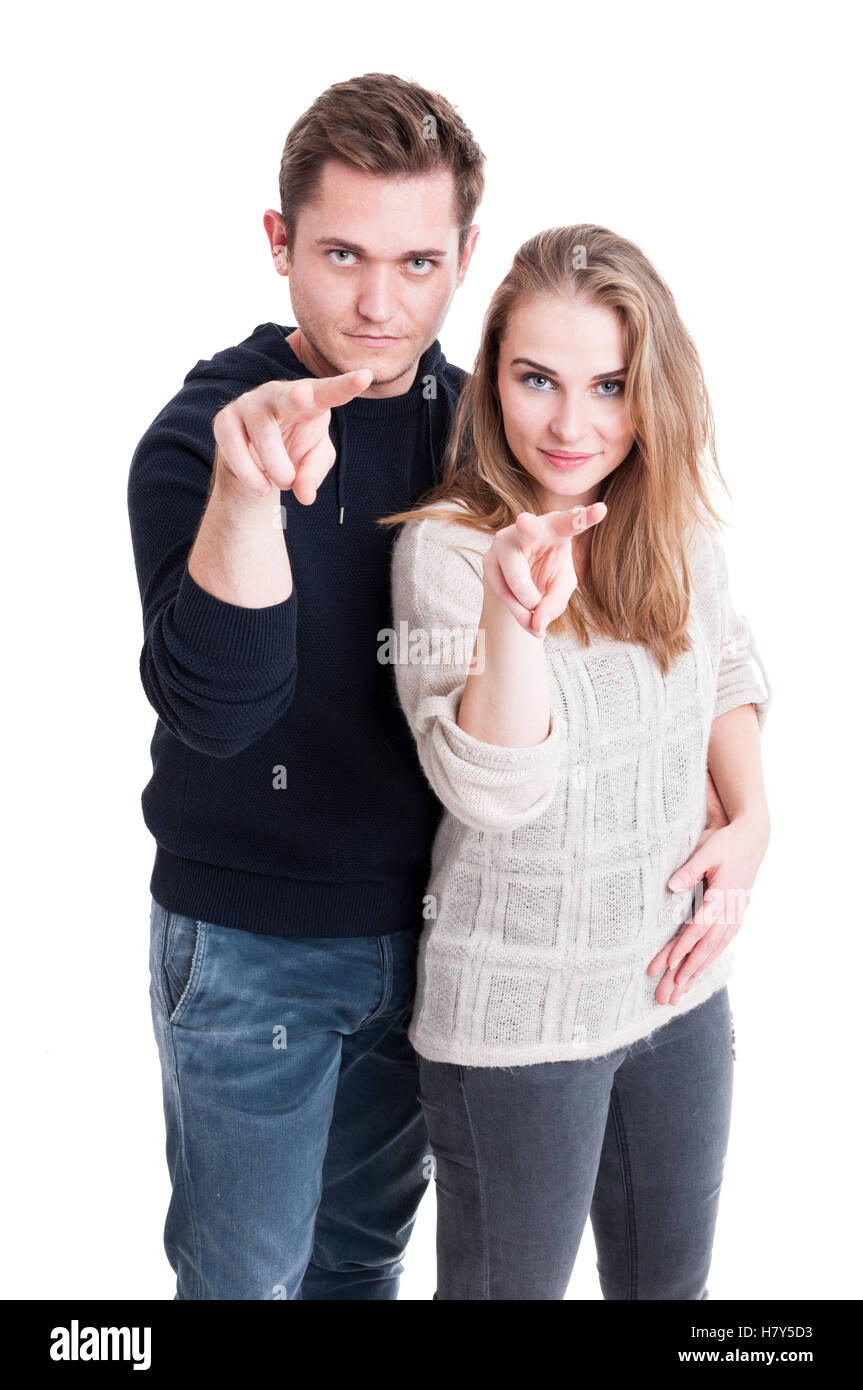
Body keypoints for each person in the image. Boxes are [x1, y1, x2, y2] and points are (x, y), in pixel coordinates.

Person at [126, 73, 485, 1300]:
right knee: (245, 1283)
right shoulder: (204, 435)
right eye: (342, 255)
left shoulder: (486, 431)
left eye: (417, 262)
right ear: (279, 243)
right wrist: (248, 498)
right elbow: (219, 709)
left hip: (437, 935)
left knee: (359, 1265)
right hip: (251, 948)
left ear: (464, 256)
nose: (381, 304)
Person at [381, 223, 773, 1300]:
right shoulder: (449, 551)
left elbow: (723, 665)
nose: (570, 425)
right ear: (491, 377)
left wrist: (751, 823)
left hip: (674, 991)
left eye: (608, 386)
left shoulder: (669, 523)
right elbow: (493, 789)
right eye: (535, 380)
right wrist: (513, 614)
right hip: (520, 1028)